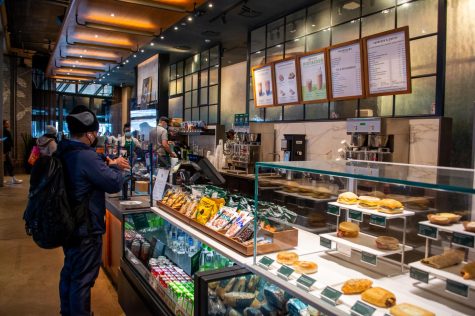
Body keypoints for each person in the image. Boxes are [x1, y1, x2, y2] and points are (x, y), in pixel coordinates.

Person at [56, 105, 130, 316]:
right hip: (85, 228)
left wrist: (109, 163)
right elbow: (113, 183)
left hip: (70, 224)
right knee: (82, 280)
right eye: (95, 133)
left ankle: (67, 312)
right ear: (88, 134)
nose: (96, 136)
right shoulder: (85, 157)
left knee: (70, 273)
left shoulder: (66, 150)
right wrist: (119, 169)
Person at [2, 120, 22, 184]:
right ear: (3, 124)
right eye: (6, 123)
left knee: (6, 164)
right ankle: (13, 179)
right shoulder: (4, 131)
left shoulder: (5, 131)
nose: (8, 124)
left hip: (6, 151)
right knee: (9, 164)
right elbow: (3, 139)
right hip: (4, 151)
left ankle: (11, 179)